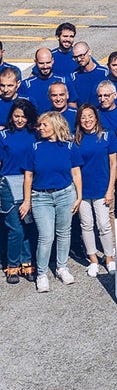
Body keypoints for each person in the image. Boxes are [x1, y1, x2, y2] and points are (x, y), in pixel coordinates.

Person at [22, 111, 82, 292]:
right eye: (40, 125)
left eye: (44, 125)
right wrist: (27, 201)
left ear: (56, 126)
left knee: (64, 232)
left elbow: (76, 173)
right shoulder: (34, 147)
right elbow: (28, 176)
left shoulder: (69, 146)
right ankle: (41, 274)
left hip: (65, 194)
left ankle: (62, 267)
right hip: (41, 197)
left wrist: (79, 196)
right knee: (46, 235)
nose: (40, 128)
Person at [71, 102, 117, 276]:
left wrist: (110, 189)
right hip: (82, 190)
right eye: (83, 117)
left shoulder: (107, 135)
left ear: (96, 118)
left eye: (90, 116)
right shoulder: (74, 139)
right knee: (86, 224)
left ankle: (109, 258)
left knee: (104, 224)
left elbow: (113, 164)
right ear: (79, 120)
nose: (87, 120)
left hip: (102, 188)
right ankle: (93, 260)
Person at [1, 98, 38, 283]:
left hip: (30, 182)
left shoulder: (36, 135)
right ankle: (12, 265)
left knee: (27, 225)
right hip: (8, 183)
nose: (20, 120)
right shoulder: (4, 136)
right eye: (16, 116)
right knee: (15, 228)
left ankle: (27, 262)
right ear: (11, 116)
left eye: (23, 116)